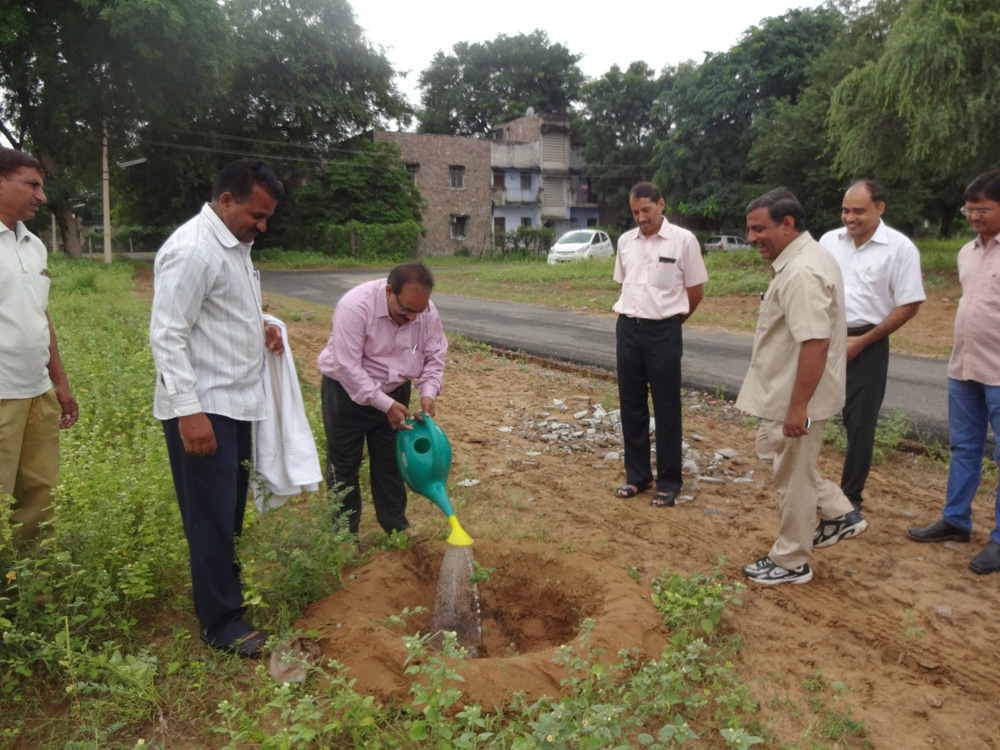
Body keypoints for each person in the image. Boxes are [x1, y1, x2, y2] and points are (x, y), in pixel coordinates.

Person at [149, 159, 285, 658]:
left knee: (227, 514)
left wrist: (261, 324)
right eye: (256, 214)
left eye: (267, 217)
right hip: (205, 409)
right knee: (209, 517)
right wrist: (189, 411)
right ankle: (221, 623)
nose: (262, 225)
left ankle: (226, 600)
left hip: (234, 404)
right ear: (226, 200)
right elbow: (167, 333)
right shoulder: (193, 250)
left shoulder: (234, 246)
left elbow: (220, 309)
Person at [736, 188, 867, 585]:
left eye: (759, 229)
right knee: (771, 451)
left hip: (799, 396)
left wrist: (799, 408)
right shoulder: (806, 257)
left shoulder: (802, 272)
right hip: (785, 390)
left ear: (788, 224)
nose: (751, 238)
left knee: (792, 475)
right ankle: (838, 511)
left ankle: (791, 560)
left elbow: (815, 343)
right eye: (749, 230)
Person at [908, 170, 1000, 574]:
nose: (975, 216)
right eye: (969, 209)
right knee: (964, 447)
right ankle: (956, 519)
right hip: (963, 367)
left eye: (984, 209)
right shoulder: (967, 252)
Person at [317, 263, 447, 537]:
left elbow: (434, 355)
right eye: (405, 310)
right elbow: (347, 366)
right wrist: (383, 404)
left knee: (391, 460)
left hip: (396, 392)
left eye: (418, 311)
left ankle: (396, 527)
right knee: (344, 465)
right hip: (346, 393)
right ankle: (343, 535)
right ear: (389, 291)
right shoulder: (355, 307)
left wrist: (427, 393)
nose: (412, 318)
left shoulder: (425, 313)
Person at [820, 181, 925, 511]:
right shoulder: (828, 242)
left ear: (880, 208)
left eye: (858, 211)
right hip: (823, 339)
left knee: (860, 424)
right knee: (808, 412)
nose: (850, 218)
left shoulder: (900, 249)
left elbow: (909, 304)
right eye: (845, 210)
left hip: (869, 343)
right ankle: (805, 482)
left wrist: (862, 341)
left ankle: (850, 497)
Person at [611, 181, 708, 508]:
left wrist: (670, 323)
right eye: (635, 211)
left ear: (661, 204)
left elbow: (695, 293)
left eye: (646, 210)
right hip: (627, 329)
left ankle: (669, 481)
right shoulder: (625, 242)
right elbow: (625, 283)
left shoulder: (683, 241)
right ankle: (637, 475)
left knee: (666, 407)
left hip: (664, 331)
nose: (641, 217)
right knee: (631, 404)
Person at [0, 147, 78, 541]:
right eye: (32, 184)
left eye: (42, 187)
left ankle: (33, 592)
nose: (41, 196)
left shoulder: (34, 244)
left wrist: (59, 381)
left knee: (40, 499)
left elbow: (40, 314)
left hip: (37, 392)